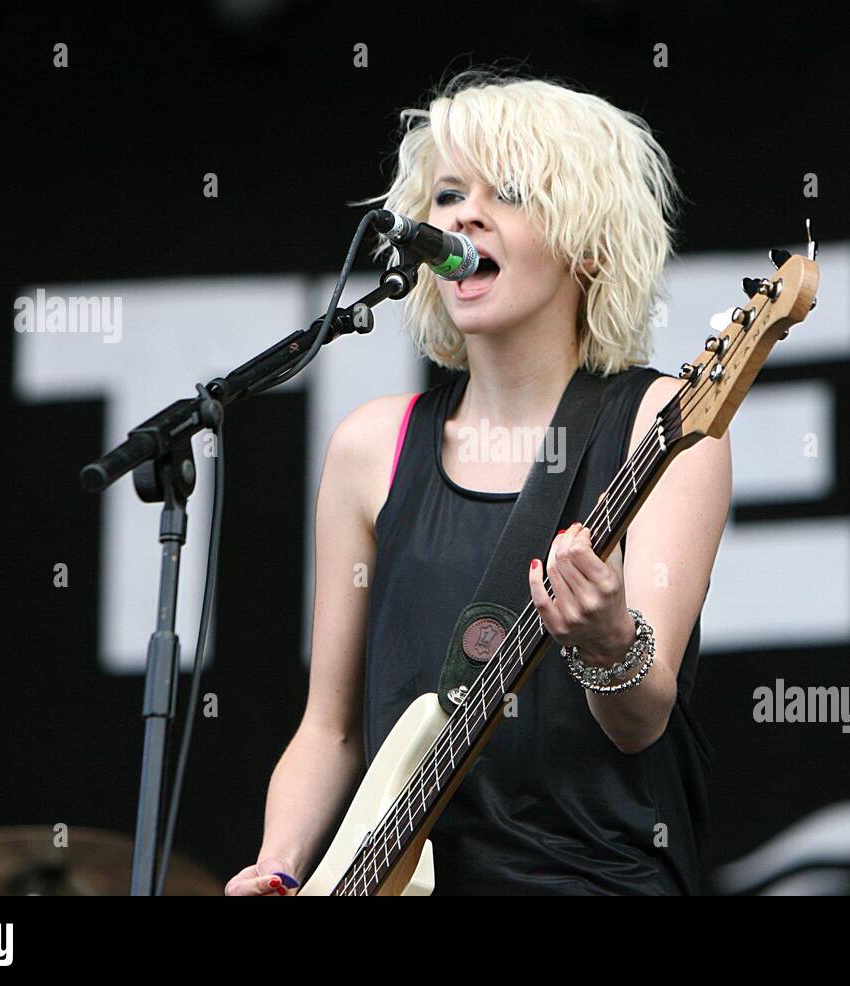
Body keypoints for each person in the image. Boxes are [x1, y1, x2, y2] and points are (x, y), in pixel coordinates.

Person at [226, 69, 731, 895]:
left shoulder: (664, 424)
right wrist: (279, 868)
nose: (462, 214)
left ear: (591, 242)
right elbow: (329, 729)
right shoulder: (371, 446)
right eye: (449, 192)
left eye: (512, 193)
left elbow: (643, 720)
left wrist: (608, 642)